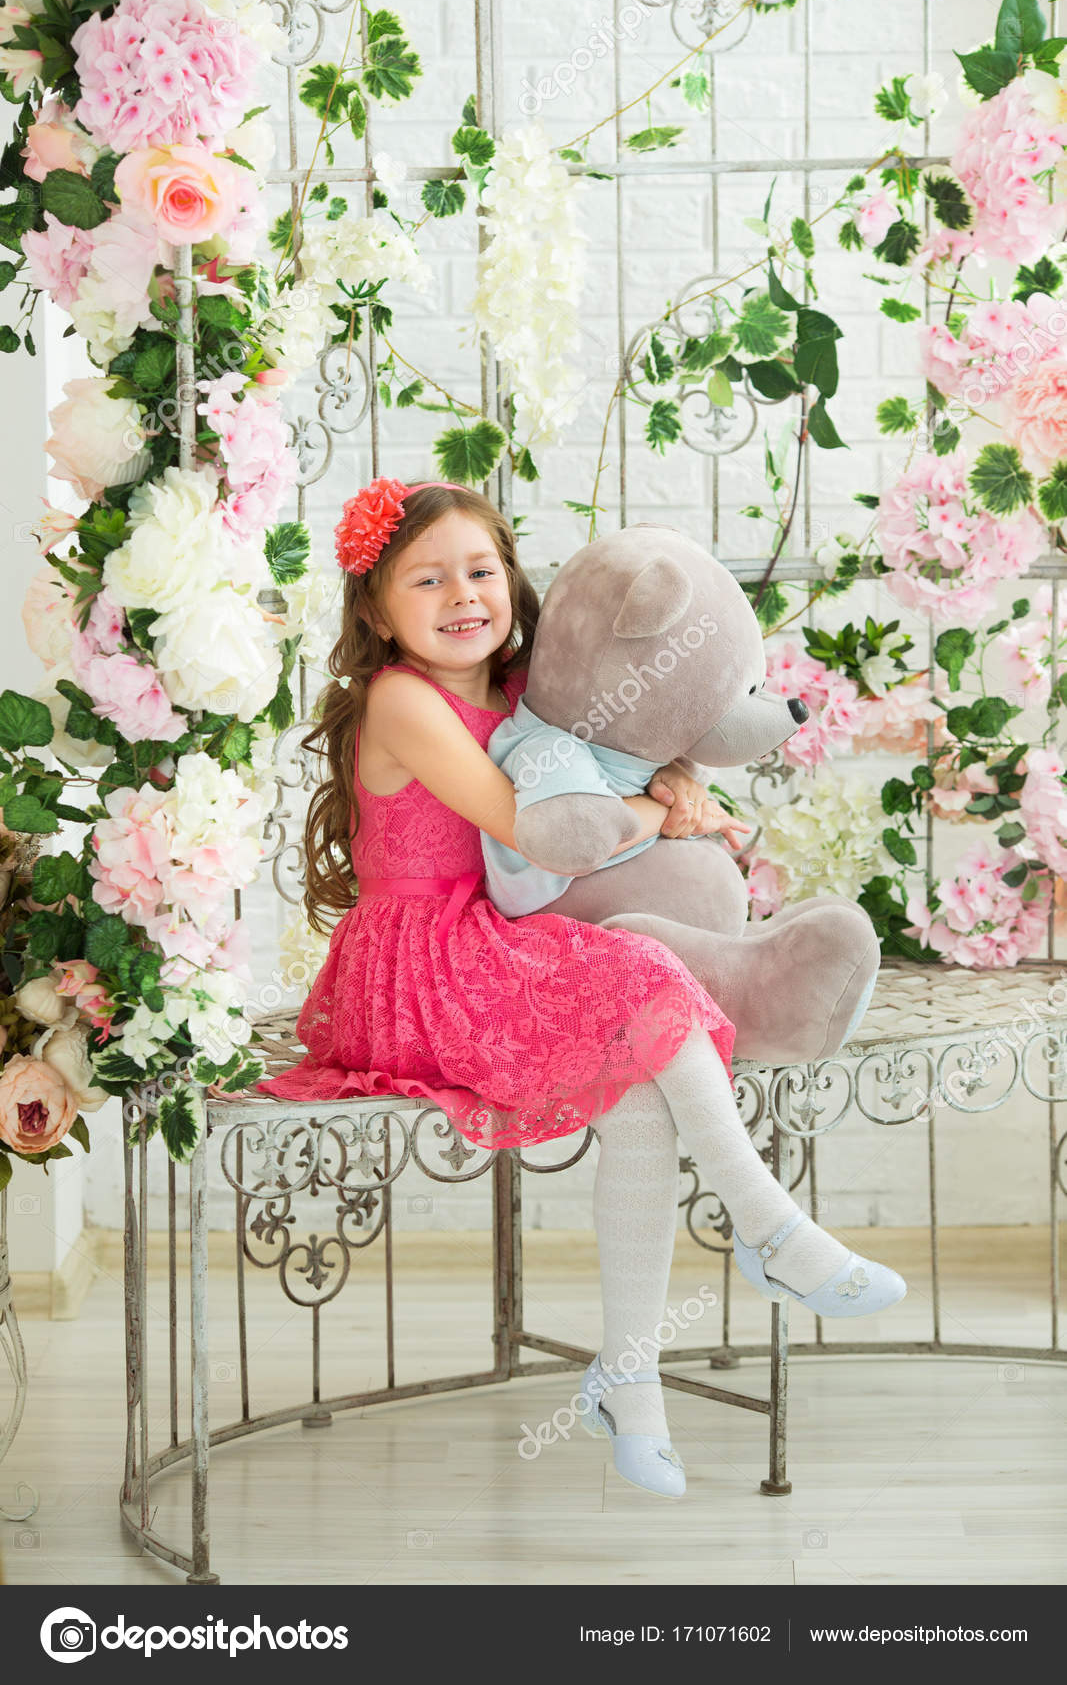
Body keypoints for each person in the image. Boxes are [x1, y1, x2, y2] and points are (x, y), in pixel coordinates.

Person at [258, 476, 906, 1499]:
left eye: (479, 571)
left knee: (641, 1078)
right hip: (416, 962)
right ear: (377, 610)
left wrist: (675, 778)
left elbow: (605, 760)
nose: (461, 594)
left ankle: (628, 1375)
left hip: (489, 943)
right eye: (426, 579)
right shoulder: (400, 698)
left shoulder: (527, 694)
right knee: (647, 968)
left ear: (512, 580)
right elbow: (532, 824)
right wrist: (654, 811)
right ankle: (767, 1224)